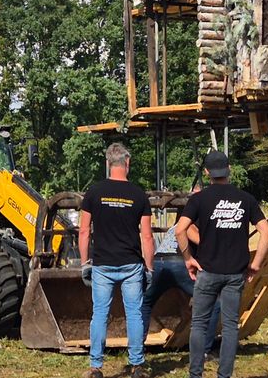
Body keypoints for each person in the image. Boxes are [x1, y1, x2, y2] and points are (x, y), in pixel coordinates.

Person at [175, 150, 268, 378]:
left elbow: (180, 229)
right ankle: (224, 375)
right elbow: (266, 233)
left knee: (199, 324)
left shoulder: (199, 199)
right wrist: (256, 264)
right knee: (229, 327)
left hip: (207, 271)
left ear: (207, 172)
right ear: (229, 169)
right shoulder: (246, 199)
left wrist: (189, 258)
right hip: (235, 273)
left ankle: (195, 374)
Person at [79, 143, 154, 378]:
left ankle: (95, 366)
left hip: (102, 264)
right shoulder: (138, 195)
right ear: (127, 163)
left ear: (108, 164)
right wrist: (149, 268)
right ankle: (137, 365)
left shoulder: (94, 192)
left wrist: (84, 263)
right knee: (134, 313)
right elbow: (147, 236)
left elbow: (83, 231)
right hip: (131, 265)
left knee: (100, 314)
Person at [139, 185, 218, 357]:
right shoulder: (198, 212)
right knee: (212, 302)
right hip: (179, 264)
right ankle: (205, 350)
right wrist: (211, 244)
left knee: (144, 303)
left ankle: (137, 348)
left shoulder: (183, 216)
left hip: (160, 261)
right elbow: (189, 230)